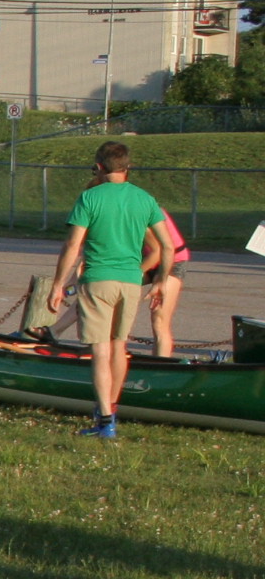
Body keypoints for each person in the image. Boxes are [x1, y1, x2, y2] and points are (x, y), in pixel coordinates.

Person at [50, 140, 170, 439]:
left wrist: (57, 284)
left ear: (100, 167)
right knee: (120, 346)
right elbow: (166, 246)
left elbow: (73, 244)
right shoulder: (144, 199)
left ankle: (104, 420)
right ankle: (111, 408)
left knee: (100, 351)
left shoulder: (90, 197)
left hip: (98, 278)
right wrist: (160, 281)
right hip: (131, 281)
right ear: (127, 167)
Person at [147, 206, 191, 357]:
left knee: (159, 318)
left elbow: (162, 250)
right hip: (147, 259)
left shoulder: (143, 207)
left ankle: (159, 368)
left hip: (172, 261)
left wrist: (160, 280)